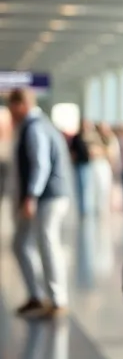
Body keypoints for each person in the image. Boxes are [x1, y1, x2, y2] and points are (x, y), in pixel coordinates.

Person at [8, 88, 72, 318]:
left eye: (12, 107)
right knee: (22, 243)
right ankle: (37, 295)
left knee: (47, 243)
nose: (10, 113)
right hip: (44, 196)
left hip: (47, 197)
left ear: (21, 105)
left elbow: (40, 164)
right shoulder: (34, 126)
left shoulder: (34, 128)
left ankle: (57, 299)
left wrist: (31, 196)